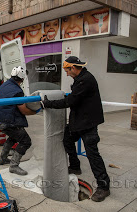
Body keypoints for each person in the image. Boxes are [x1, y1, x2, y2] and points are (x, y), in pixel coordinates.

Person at [41, 56, 110, 202]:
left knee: (92, 154)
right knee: (67, 140)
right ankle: (75, 166)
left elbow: (70, 101)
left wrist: (47, 103)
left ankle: (104, 187)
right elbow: (74, 98)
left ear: (73, 68)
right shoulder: (81, 78)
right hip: (79, 121)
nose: (66, 74)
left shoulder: (85, 80)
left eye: (67, 71)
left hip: (88, 123)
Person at [0, 66, 39, 176]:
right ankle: (14, 166)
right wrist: (35, 111)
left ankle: (3, 159)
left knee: (14, 137)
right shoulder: (18, 91)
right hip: (7, 121)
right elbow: (23, 110)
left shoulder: (4, 85)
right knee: (25, 141)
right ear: (22, 79)